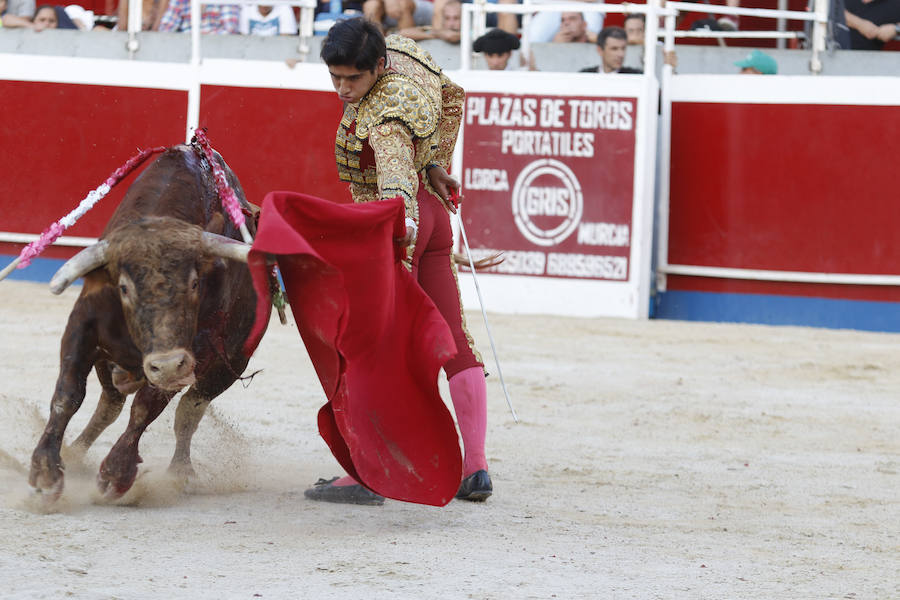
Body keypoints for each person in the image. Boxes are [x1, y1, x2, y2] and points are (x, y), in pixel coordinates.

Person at [304, 17, 492, 505]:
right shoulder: (408, 54)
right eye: (335, 78)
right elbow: (452, 97)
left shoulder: (384, 117)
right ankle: (476, 467)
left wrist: (399, 232)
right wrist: (436, 165)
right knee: (455, 338)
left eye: (353, 79)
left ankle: (371, 473)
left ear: (379, 67)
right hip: (435, 216)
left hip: (396, 227)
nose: (343, 89)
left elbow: (391, 176)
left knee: (372, 349)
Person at [526, 0, 602, 43]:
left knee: (593, 36)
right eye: (562, 20)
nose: (566, 23)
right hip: (551, 5)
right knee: (531, 40)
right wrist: (554, 46)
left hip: (589, 5)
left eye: (571, 19)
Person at [157, 0, 239, 33]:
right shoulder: (180, 1)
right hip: (187, 52)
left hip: (219, 50)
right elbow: (166, 28)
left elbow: (230, 29)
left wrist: (202, 38)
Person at [363, 0, 432, 32]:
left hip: (420, 6)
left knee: (402, 3)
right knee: (370, 5)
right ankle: (380, 47)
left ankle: (407, 46)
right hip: (388, 11)